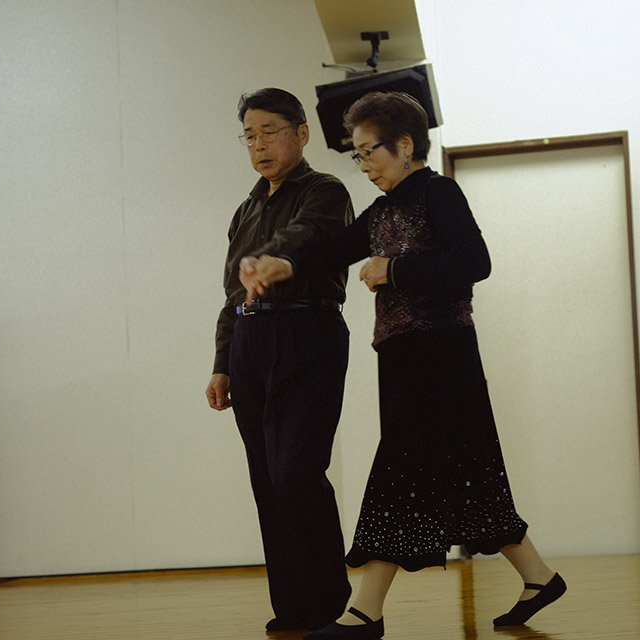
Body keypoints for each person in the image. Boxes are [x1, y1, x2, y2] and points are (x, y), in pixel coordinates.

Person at [240, 91, 566, 640]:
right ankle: (539, 577)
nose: (364, 164)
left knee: (398, 472)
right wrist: (280, 264)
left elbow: (474, 261)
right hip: (401, 355)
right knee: (471, 475)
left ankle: (365, 611)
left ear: (406, 145)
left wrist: (394, 270)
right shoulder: (382, 209)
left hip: (443, 354)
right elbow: (332, 249)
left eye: (370, 151)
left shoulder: (438, 193)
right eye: (358, 155)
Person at [204, 87, 354, 633]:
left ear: (301, 133)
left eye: (270, 132)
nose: (259, 145)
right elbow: (231, 292)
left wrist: (271, 260)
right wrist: (222, 361)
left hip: (307, 332)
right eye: (249, 136)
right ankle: (292, 606)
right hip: (250, 341)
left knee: (297, 473)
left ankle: (329, 603)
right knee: (267, 479)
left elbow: (308, 235)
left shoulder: (325, 190)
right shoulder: (244, 210)